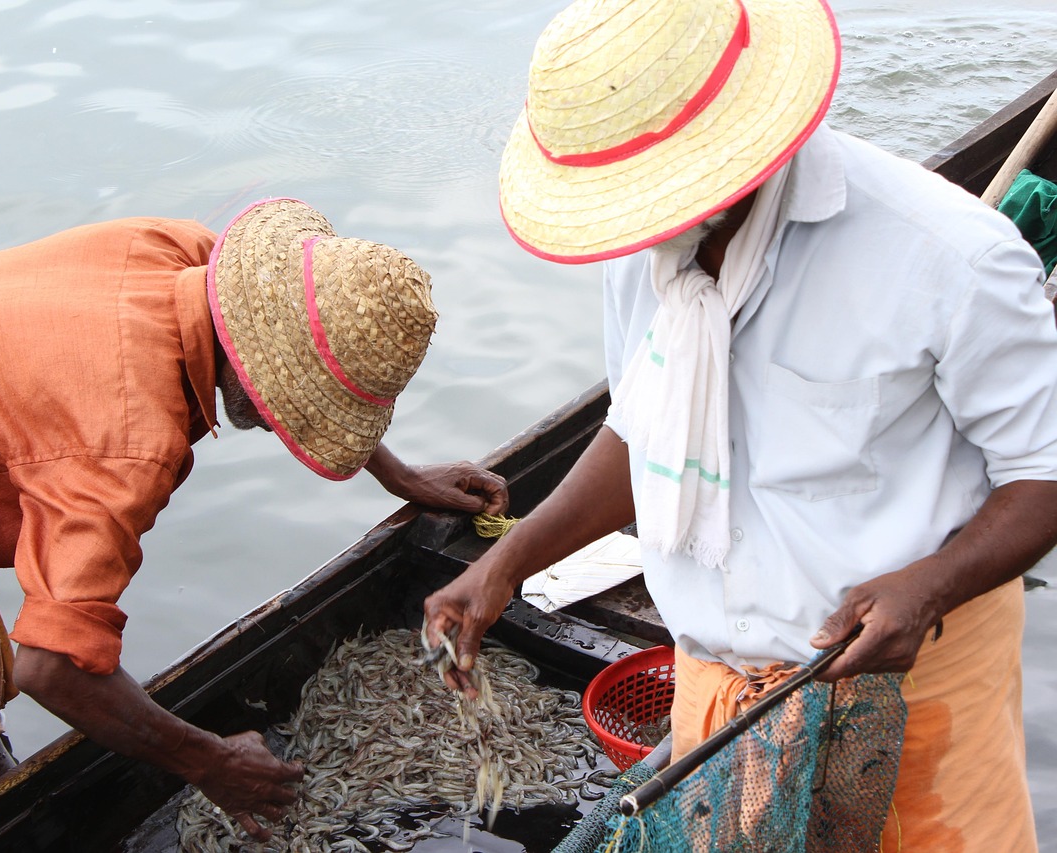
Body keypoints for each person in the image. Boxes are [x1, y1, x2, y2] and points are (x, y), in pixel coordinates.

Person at [423, 0, 1057, 849]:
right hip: (714, 690)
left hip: (909, 692)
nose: (638, 222)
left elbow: (1042, 474)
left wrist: (930, 584)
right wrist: (509, 559)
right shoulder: (643, 252)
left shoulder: (949, 256)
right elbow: (639, 429)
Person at [0, 197, 507, 840]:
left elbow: (298, 352)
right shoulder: (128, 439)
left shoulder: (193, 257)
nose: (289, 427)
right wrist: (210, 761)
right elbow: (51, 667)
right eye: (299, 413)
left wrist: (401, 474)